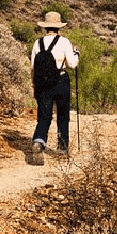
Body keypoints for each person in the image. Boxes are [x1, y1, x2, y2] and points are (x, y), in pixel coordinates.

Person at [30, 10, 79, 154]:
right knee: (63, 114)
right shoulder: (64, 42)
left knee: (44, 115)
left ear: (45, 27)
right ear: (59, 27)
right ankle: (62, 147)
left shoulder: (37, 43)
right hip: (61, 80)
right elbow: (72, 64)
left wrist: (34, 86)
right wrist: (76, 53)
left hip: (42, 83)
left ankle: (39, 140)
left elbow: (33, 67)